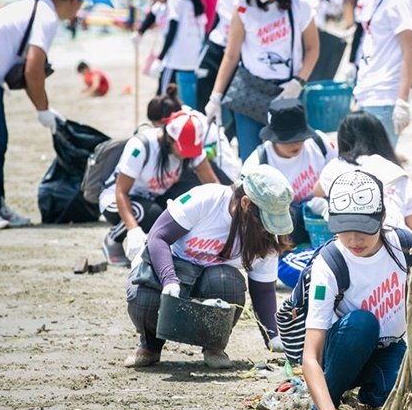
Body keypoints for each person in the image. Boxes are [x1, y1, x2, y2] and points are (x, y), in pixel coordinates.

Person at [298, 170, 412, 410]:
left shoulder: (403, 245)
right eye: (344, 227)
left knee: (406, 389)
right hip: (340, 349)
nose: (354, 239)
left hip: (387, 348)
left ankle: (371, 399)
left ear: (383, 217)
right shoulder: (330, 262)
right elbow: (310, 355)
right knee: (362, 324)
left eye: (364, 227)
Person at [124, 164, 293, 368]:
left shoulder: (267, 236)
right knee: (145, 297)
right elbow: (158, 237)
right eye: (266, 219)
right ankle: (150, 345)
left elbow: (263, 289)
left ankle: (213, 345)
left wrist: (273, 336)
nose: (268, 227)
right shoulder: (206, 199)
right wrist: (169, 280)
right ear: (246, 203)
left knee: (226, 282)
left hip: (214, 283)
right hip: (173, 269)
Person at [0, 0, 84, 230]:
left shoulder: (40, 8)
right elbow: (33, 71)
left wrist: (44, 107)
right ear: (72, 0)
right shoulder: (47, 17)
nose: (80, 9)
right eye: (81, 3)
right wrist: (43, 110)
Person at [207, 0, 320, 162]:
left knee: (288, 157)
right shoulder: (242, 7)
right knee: (251, 160)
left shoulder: (299, 4)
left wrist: (299, 81)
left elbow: (313, 48)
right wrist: (215, 97)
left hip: (286, 92)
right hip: (250, 91)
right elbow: (231, 55)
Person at [99, 110, 219, 267]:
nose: (187, 155)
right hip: (116, 199)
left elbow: (214, 187)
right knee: (152, 214)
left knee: (193, 197)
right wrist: (133, 230)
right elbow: (121, 192)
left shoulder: (192, 149)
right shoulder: (141, 146)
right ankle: (113, 239)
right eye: (184, 150)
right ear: (170, 138)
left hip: (152, 196)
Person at [242, 98, 337, 244]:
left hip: (324, 219)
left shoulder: (320, 143)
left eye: (300, 137)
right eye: (287, 139)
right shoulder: (257, 164)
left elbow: (341, 170)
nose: (296, 143)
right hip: (283, 228)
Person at [313, 111, 412, 234]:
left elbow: (316, 192)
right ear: (381, 138)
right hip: (396, 242)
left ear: (343, 139)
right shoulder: (394, 170)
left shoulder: (335, 167)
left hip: (351, 241)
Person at [352, 0, 412, 148]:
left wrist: (402, 101)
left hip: (386, 95)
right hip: (368, 91)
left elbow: (408, 52)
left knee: (379, 164)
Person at [146, 85, 241, 185]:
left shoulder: (188, 125)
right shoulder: (182, 115)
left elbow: (201, 158)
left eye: (158, 127)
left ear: (167, 121)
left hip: (223, 172)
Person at [141, 0, 206, 105]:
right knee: (185, 101)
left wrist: (161, 57)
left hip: (176, 59)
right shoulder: (195, 1)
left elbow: (173, 29)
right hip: (193, 60)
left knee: (163, 97)